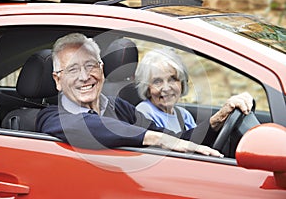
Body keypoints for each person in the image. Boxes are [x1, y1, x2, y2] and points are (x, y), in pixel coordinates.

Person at [35, 33, 250, 157]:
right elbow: (88, 126)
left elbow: (176, 139)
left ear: (101, 70)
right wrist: (156, 139)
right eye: (72, 70)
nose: (84, 76)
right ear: (57, 80)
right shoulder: (51, 117)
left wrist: (220, 117)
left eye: (90, 66)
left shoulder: (119, 107)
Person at [135, 47, 253, 134]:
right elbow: (171, 146)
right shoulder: (144, 113)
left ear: (181, 82)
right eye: (157, 81)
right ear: (147, 87)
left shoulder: (183, 114)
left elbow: (196, 142)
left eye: (172, 79)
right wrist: (217, 119)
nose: (166, 88)